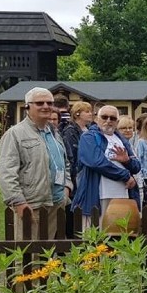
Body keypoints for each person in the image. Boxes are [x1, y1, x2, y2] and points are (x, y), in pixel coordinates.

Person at [0, 87, 73, 240]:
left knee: (47, 254)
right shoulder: (15, 134)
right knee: (27, 255)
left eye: (49, 102)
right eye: (39, 103)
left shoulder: (53, 132)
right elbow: (7, 172)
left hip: (55, 203)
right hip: (32, 205)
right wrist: (17, 202)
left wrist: (66, 188)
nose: (46, 106)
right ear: (27, 107)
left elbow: (64, 164)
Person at [72, 105, 141, 229]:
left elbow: (136, 166)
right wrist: (125, 176)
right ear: (97, 119)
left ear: (117, 122)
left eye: (113, 118)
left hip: (123, 195)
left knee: (119, 235)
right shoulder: (88, 137)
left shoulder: (122, 139)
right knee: (95, 237)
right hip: (97, 195)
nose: (108, 120)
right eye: (104, 117)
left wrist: (127, 161)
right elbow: (96, 162)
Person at [61, 101, 93, 237]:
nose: (90, 114)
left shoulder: (90, 130)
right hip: (77, 174)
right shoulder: (71, 131)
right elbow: (71, 156)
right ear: (77, 113)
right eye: (87, 111)